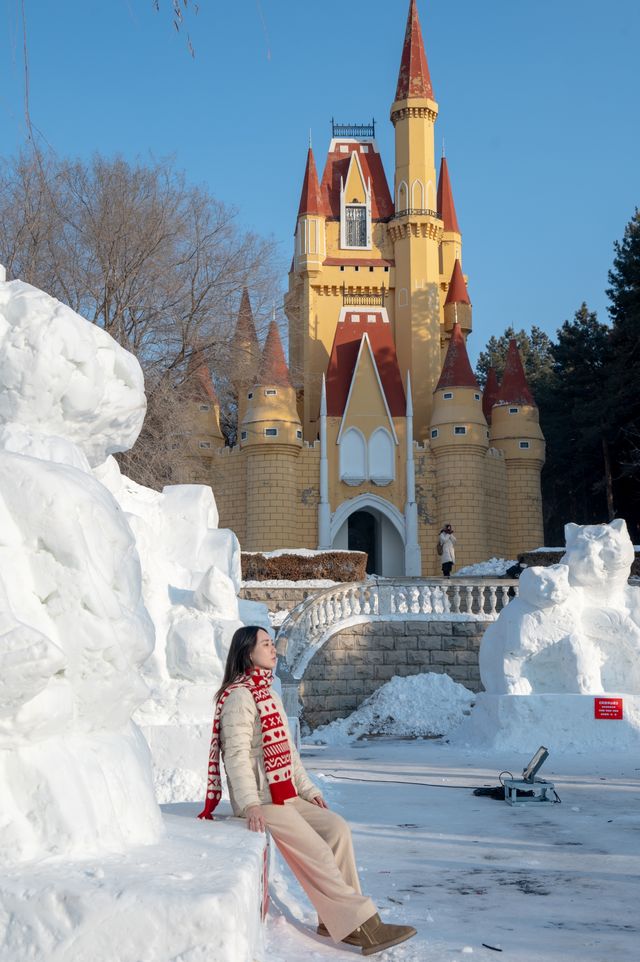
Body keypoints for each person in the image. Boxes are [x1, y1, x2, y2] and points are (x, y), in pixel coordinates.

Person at [198, 625, 416, 956]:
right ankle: (365, 925)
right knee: (316, 850)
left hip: (285, 793)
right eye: (266, 644)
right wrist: (250, 804)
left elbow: (287, 752)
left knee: (337, 829)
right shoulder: (239, 697)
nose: (273, 649)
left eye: (272, 644)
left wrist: (308, 789)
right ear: (247, 653)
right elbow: (237, 755)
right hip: (261, 799)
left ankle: (333, 921)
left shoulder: (268, 693)